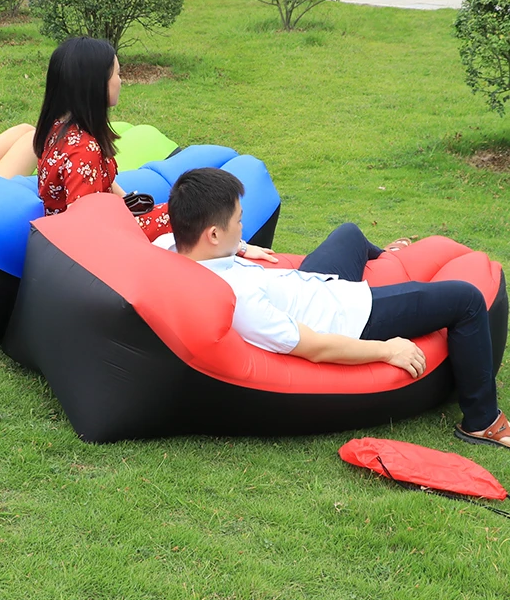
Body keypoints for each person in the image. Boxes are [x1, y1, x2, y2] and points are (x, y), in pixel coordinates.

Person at [160, 167, 509, 449]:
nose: (242, 226)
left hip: (308, 282)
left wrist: (240, 247)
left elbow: (153, 232)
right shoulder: (238, 300)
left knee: (350, 234)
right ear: (213, 235)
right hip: (351, 316)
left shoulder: (170, 248)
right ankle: (482, 421)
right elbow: (314, 346)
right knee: (466, 299)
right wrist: (387, 350)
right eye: (238, 221)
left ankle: (388, 260)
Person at [34, 37, 171, 241]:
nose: (120, 81)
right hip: (100, 238)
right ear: (96, 85)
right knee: (183, 216)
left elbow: (102, 185)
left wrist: (129, 203)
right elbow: (84, 227)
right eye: (117, 74)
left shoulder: (57, 129)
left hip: (103, 220)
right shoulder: (83, 150)